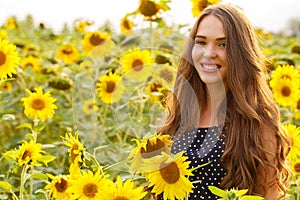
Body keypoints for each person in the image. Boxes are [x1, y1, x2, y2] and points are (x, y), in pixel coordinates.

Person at [156, 3, 291, 200]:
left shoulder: (257, 124)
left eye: (223, 44)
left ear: (241, 54)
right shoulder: (180, 112)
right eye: (201, 42)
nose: (209, 53)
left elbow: (269, 195)